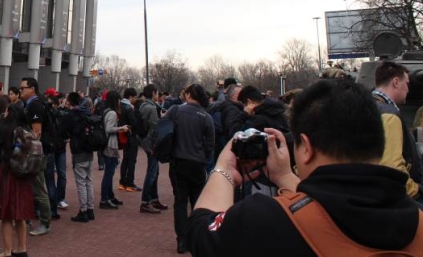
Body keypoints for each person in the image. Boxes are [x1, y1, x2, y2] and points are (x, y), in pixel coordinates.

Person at [187, 78, 423, 256]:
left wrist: (224, 169)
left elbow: (201, 232)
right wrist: (285, 176)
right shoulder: (417, 218)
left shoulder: (266, 220)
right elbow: (335, 203)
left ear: (306, 147)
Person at [167, 84, 214, 254]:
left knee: (180, 202)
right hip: (198, 163)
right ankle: (198, 237)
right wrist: (204, 158)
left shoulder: (175, 110)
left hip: (178, 162)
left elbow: (163, 131)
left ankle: (181, 240)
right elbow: (210, 144)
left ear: (187, 95)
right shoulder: (206, 117)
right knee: (197, 203)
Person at [371, 60, 423, 207]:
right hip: (398, 196)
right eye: (406, 84)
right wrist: (415, 190)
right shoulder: (389, 114)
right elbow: (391, 166)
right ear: (395, 82)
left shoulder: (368, 106)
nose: (408, 89)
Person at [0, 102, 35, 257]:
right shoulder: (28, 130)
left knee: (6, 213)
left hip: (8, 172)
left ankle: (7, 251)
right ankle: (22, 248)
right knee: (20, 213)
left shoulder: (6, 129)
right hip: (25, 174)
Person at [20, 77, 53, 236]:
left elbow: (36, 133)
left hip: (35, 154)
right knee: (30, 187)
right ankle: (28, 219)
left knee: (39, 188)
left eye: (23, 88)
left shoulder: (35, 105)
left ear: (32, 88)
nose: (21, 91)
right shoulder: (32, 104)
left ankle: (45, 223)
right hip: (33, 152)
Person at [61, 92, 95, 222]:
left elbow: (62, 130)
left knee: (81, 182)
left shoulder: (71, 115)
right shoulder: (86, 112)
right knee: (88, 180)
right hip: (89, 149)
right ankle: (90, 209)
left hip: (78, 150)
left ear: (69, 101)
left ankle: (83, 211)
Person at [138, 84, 166, 213]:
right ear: (153, 93)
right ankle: (145, 202)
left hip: (145, 142)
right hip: (151, 144)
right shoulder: (151, 108)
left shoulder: (143, 105)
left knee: (154, 171)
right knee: (152, 173)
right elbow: (155, 128)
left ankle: (154, 199)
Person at [99, 90, 129, 209]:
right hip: (110, 144)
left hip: (107, 144)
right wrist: (121, 128)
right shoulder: (112, 113)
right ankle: (105, 198)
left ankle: (109, 196)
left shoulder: (105, 111)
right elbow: (109, 129)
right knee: (109, 173)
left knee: (109, 172)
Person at [118, 87, 140, 192]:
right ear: (131, 96)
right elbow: (135, 123)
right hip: (131, 136)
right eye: (134, 97)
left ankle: (122, 182)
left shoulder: (120, 106)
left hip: (123, 135)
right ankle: (130, 183)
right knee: (132, 160)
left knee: (125, 159)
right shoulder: (129, 108)